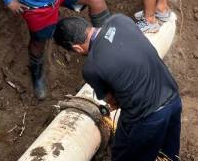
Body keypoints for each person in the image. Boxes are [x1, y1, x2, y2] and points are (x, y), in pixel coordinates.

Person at [54, 15, 181, 161]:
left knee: (124, 155)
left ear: (76, 47)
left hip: (147, 118)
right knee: (168, 155)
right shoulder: (119, 20)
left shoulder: (91, 67)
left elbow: (113, 102)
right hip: (173, 98)